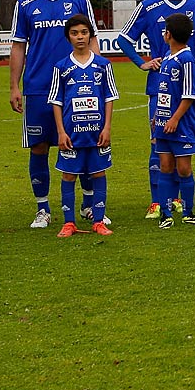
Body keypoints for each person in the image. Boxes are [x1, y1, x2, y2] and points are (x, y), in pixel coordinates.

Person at [118, 0, 195, 219]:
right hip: (158, 90)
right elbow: (124, 39)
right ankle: (158, 202)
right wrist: (143, 62)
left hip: (188, 90)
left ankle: (181, 203)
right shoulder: (149, 6)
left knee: (183, 145)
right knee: (158, 145)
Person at [9, 0, 95, 227]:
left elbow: (92, 40)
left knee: (81, 144)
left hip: (76, 87)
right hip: (38, 87)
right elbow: (18, 46)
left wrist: (98, 77)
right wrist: (14, 86)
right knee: (39, 147)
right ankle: (42, 208)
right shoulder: (25, 4)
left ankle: (88, 203)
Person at [48, 14, 117, 237]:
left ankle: (98, 221)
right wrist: (60, 131)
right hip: (71, 133)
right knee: (68, 175)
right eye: (75, 33)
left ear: (90, 35)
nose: (80, 37)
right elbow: (57, 101)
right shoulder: (61, 67)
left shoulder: (103, 65)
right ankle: (69, 223)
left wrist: (107, 128)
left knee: (99, 173)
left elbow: (108, 98)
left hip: (97, 133)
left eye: (84, 32)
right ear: (68, 36)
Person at [151, 13, 195, 228]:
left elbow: (190, 95)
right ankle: (166, 214)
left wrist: (174, 119)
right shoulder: (167, 57)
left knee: (183, 168)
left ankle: (189, 212)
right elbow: (163, 93)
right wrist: (157, 116)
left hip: (182, 124)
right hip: (163, 123)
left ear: (169, 34)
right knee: (165, 166)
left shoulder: (187, 59)